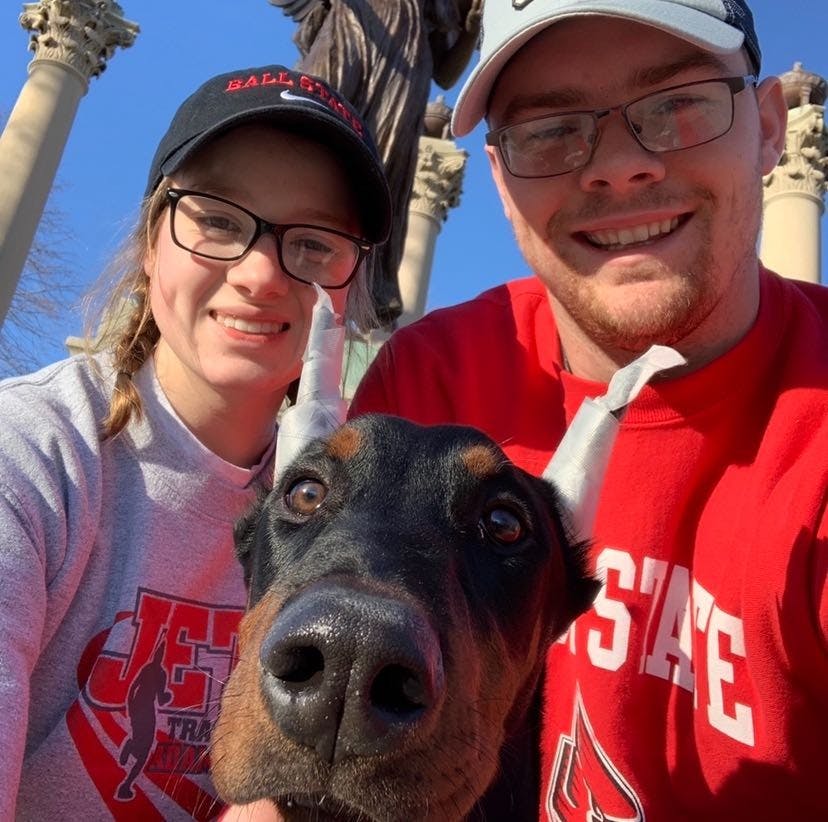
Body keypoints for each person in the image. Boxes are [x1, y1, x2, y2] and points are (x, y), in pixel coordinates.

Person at [350, 1, 828, 818]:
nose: (615, 166)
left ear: (770, 126)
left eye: (678, 105)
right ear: (499, 180)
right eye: (549, 130)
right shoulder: (428, 387)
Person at [0, 63, 391, 819]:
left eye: (313, 244)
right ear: (153, 243)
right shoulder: (31, 456)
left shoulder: (356, 528)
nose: (259, 273)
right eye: (217, 219)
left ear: (349, 286)